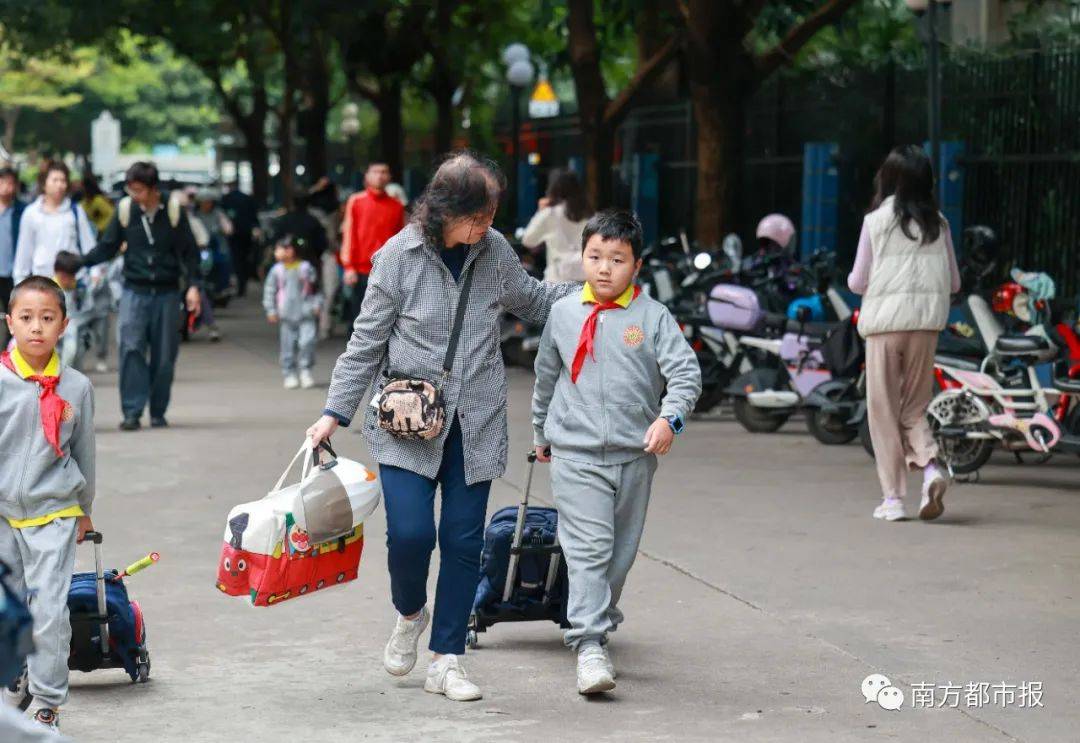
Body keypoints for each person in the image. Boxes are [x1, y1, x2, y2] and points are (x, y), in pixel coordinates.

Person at [306, 151, 578, 702]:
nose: (488, 225)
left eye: (492, 214)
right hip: (408, 421)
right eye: (478, 215)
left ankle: (447, 659)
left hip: (476, 421)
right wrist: (334, 412)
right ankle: (410, 612)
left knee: (462, 542)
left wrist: (595, 292)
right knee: (410, 536)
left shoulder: (493, 251)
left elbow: (534, 300)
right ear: (444, 211)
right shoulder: (397, 257)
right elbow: (365, 343)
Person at [531, 209, 701, 695]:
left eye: (617, 259)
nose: (605, 268)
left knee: (619, 556)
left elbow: (686, 375)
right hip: (575, 453)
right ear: (582, 258)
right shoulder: (563, 314)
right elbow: (546, 376)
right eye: (595, 257)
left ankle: (598, 625)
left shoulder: (652, 317)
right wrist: (541, 432)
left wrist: (670, 419)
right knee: (589, 549)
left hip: (633, 457)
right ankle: (587, 644)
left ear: (637, 266)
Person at [0, 276, 96, 732]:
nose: (36, 327)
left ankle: (48, 700)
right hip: (2, 514)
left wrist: (85, 507)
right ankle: (15, 673)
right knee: (10, 604)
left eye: (47, 318)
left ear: (63, 325)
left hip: (55, 512)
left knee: (50, 608)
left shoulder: (76, 387)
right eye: (26, 317)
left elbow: (85, 453)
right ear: (9, 323)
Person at [848, 145, 961, 522]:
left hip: (884, 327)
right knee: (914, 408)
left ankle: (893, 499)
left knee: (882, 411)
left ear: (889, 178)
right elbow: (955, 282)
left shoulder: (875, 222)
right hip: (926, 326)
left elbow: (858, 280)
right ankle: (930, 468)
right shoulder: (939, 224)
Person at [79, 161, 202, 431]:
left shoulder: (172, 210)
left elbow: (190, 253)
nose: (134, 195)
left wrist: (193, 286)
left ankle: (158, 411)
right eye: (130, 189)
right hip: (134, 291)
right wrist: (79, 263)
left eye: (139, 190)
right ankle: (132, 412)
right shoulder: (125, 210)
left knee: (164, 354)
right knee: (131, 349)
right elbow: (108, 247)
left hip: (167, 294)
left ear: (153, 189)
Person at [340, 162, 406, 328]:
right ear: (367, 176)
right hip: (361, 269)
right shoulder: (356, 201)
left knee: (387, 317)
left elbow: (401, 239)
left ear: (389, 177)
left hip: (389, 270)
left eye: (384, 172)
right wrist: (348, 266)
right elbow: (349, 234)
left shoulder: (397, 206)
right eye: (375, 172)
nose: (380, 175)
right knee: (358, 317)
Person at [12, 161, 96, 284]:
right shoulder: (31, 213)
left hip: (73, 281)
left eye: (63, 180)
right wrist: (19, 280)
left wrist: (95, 272)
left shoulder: (75, 211)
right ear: (44, 183)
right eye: (55, 180)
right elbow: (24, 250)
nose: (59, 185)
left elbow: (88, 244)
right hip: (43, 281)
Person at [263, 234, 321, 389]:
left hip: (306, 312)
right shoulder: (277, 270)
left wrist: (316, 304)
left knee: (307, 342)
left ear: (292, 250)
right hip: (287, 315)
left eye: (281, 249)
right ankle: (289, 373)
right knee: (287, 345)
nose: (277, 252)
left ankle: (305, 370)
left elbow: (315, 289)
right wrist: (271, 309)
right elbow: (270, 290)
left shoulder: (306, 268)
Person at [521, 168, 591, 283]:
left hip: (556, 281)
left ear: (552, 189)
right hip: (584, 280)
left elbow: (528, 240)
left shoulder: (550, 213)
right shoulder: (588, 215)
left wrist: (540, 212)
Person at [305, 178, 343, 340]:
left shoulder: (316, 212)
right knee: (329, 292)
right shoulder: (330, 215)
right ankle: (324, 325)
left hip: (329, 256)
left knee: (329, 293)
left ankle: (325, 325)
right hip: (332, 256)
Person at [0, 166, 27, 348]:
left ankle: (6, 356)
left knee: (12, 318)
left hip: (12, 273)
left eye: (10, 183)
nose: (6, 187)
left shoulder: (23, 211)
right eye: (3, 182)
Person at [220, 182, 259, 298]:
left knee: (237, 260)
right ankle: (243, 282)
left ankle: (241, 283)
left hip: (233, 234)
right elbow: (254, 216)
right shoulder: (247, 198)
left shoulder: (226, 199)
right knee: (244, 258)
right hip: (246, 233)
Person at [77, 170, 114, 235]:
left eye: (82, 187)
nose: (81, 189)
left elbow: (111, 215)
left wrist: (99, 227)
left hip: (103, 233)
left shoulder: (98, 200)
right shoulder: (83, 203)